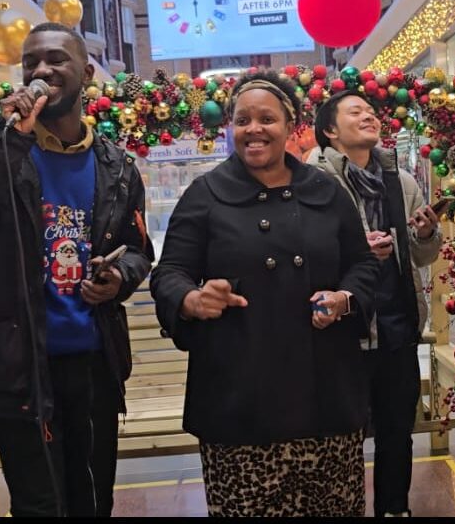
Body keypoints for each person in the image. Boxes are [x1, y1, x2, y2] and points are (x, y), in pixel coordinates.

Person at [0, 23, 154, 517]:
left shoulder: (116, 166)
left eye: (55, 60)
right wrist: (3, 144)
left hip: (94, 364)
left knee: (93, 500)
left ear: (86, 74)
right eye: (31, 63)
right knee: (38, 503)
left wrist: (120, 278)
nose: (41, 71)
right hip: (19, 367)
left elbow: (138, 249)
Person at [150, 70, 379, 517]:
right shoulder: (206, 194)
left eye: (267, 119)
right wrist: (191, 299)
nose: (254, 129)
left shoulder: (324, 190)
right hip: (238, 399)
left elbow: (363, 264)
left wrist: (344, 298)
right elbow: (169, 272)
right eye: (242, 120)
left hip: (326, 397)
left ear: (291, 125)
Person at [306, 91, 441, 517]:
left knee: (397, 432)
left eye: (370, 110)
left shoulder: (399, 181)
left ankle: (394, 509)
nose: (368, 116)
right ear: (330, 130)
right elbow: (303, 252)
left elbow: (422, 256)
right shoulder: (313, 180)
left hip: (397, 325)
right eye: (354, 112)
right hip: (341, 331)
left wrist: (423, 234)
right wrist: (356, 253)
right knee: (339, 435)